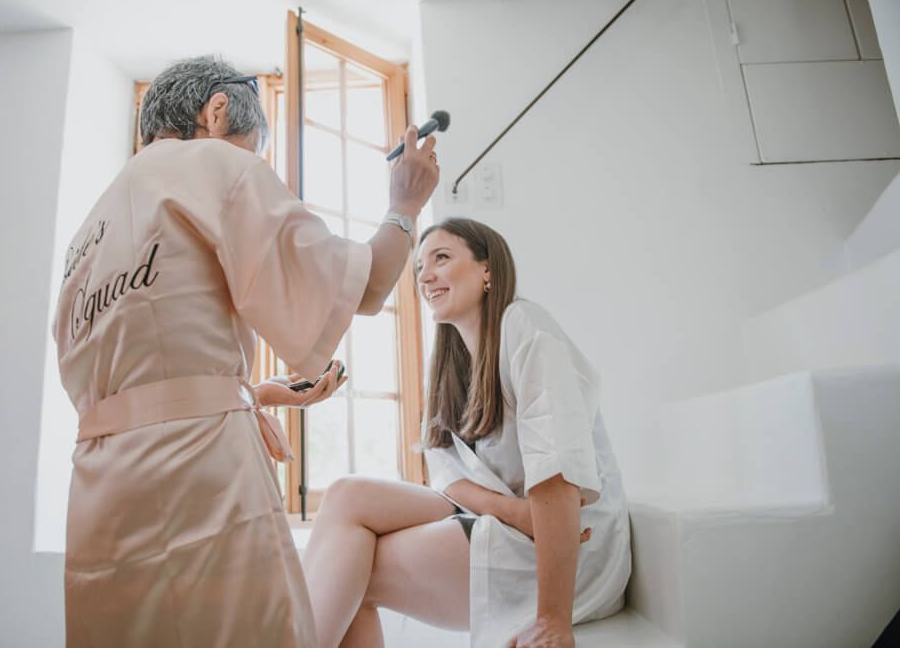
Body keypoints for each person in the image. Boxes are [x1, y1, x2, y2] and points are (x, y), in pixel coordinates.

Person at [51, 55, 439, 647]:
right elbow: (368, 286)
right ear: (217, 111)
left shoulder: (88, 232)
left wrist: (252, 394)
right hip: (196, 476)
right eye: (253, 147)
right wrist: (405, 205)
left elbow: (138, 384)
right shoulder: (210, 164)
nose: (251, 162)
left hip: (100, 493)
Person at [302, 218, 631, 648]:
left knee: (351, 569)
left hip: (570, 546)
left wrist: (553, 619)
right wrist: (514, 513)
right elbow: (449, 478)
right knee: (345, 494)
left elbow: (557, 469)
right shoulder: (449, 365)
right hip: (511, 521)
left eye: (441, 258)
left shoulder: (524, 326)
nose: (425, 277)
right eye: (420, 268)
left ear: (487, 269)